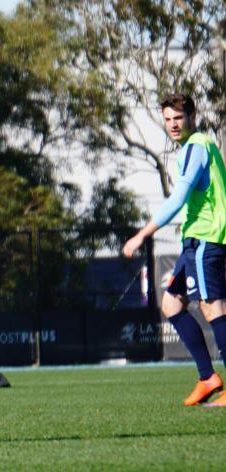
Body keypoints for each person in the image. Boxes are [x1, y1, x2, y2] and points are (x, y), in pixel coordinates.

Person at [123, 92, 226, 406]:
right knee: (171, 305)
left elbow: (179, 198)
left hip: (207, 238)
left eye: (178, 118)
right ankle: (207, 378)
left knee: (213, 308)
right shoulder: (189, 148)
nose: (173, 124)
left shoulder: (197, 146)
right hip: (193, 241)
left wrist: (142, 235)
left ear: (192, 117)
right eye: (167, 119)